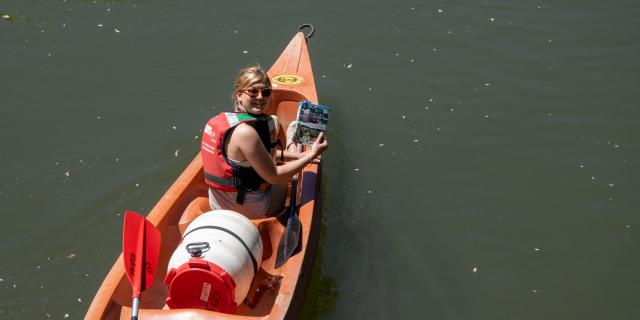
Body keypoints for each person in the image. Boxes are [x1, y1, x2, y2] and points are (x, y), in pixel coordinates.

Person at [201, 65, 328, 219]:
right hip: (250, 211)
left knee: (278, 161)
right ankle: (293, 144)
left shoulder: (226, 123)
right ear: (239, 95)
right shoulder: (246, 133)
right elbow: (273, 177)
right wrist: (310, 156)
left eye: (266, 92)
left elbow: (260, 156)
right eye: (253, 91)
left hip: (218, 205)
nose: (260, 97)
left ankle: (293, 149)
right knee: (283, 175)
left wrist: (300, 156)